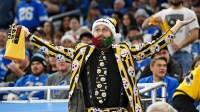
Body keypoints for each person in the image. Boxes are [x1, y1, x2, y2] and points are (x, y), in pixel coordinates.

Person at [12, 17, 194, 111]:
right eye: (97, 30)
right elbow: (53, 49)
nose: (100, 33)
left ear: (112, 34)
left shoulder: (124, 51)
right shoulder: (82, 52)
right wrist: (29, 36)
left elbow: (155, 45)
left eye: (104, 30)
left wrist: (176, 27)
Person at [142, 0, 199, 74]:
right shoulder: (163, 13)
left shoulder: (189, 13)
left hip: (183, 52)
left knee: (185, 80)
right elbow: (144, 25)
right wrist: (153, 20)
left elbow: (195, 34)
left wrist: (181, 44)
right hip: (165, 54)